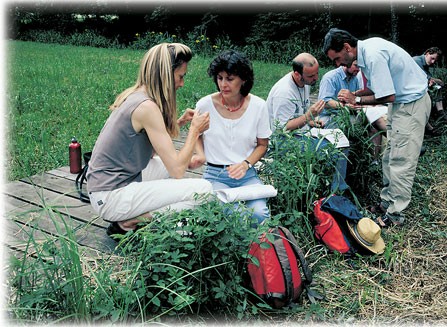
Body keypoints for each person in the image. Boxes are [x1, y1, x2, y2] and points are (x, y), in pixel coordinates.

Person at [86, 43, 213, 237]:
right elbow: (177, 170)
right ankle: (130, 221)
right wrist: (195, 130)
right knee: (204, 190)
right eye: (180, 76)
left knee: (164, 166)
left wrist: (179, 123)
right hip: (110, 196)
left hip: (109, 185)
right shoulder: (146, 107)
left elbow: (151, 151)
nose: (182, 84)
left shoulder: (138, 95)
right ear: (165, 75)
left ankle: (136, 218)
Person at [323, 28, 431, 227]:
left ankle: (395, 215)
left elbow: (387, 95)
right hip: (401, 104)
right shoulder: (367, 50)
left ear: (347, 48)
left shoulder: (372, 56)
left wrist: (355, 99)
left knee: (401, 159)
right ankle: (387, 204)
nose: (338, 64)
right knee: (390, 155)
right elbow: (377, 89)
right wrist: (354, 94)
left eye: (338, 58)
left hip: (411, 105)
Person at [194, 50, 272, 224]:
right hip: (215, 174)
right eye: (219, 78)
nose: (223, 84)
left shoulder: (259, 106)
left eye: (229, 79)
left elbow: (262, 144)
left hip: (247, 175)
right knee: (236, 215)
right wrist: (201, 154)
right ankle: (241, 251)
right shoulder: (205, 104)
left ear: (243, 79)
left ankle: (257, 250)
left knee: (260, 214)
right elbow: (196, 135)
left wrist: (246, 164)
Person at [267, 52, 349, 192]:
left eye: (317, 73)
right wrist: (309, 116)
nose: (316, 78)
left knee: (341, 139)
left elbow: (297, 114)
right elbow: (282, 129)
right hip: (281, 142)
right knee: (333, 149)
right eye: (311, 76)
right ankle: (335, 193)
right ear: (297, 74)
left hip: (300, 132)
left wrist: (311, 121)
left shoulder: (304, 83)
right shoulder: (284, 93)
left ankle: (334, 188)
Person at [318, 60, 387, 163]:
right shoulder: (330, 77)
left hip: (349, 115)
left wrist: (358, 104)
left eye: (359, 67)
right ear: (346, 63)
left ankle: (374, 162)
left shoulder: (355, 78)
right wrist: (345, 106)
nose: (358, 69)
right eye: (355, 66)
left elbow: (356, 99)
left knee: (373, 120)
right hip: (331, 118)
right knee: (372, 120)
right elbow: (325, 102)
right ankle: (398, 141)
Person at [413, 47, 447, 127]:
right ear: (427, 54)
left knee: (437, 87)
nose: (433, 61)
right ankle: (430, 120)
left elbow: (428, 78)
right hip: (410, 87)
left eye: (435, 60)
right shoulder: (417, 61)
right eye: (432, 58)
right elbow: (424, 77)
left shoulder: (425, 63)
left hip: (418, 84)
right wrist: (437, 80)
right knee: (436, 85)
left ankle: (440, 111)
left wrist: (432, 81)